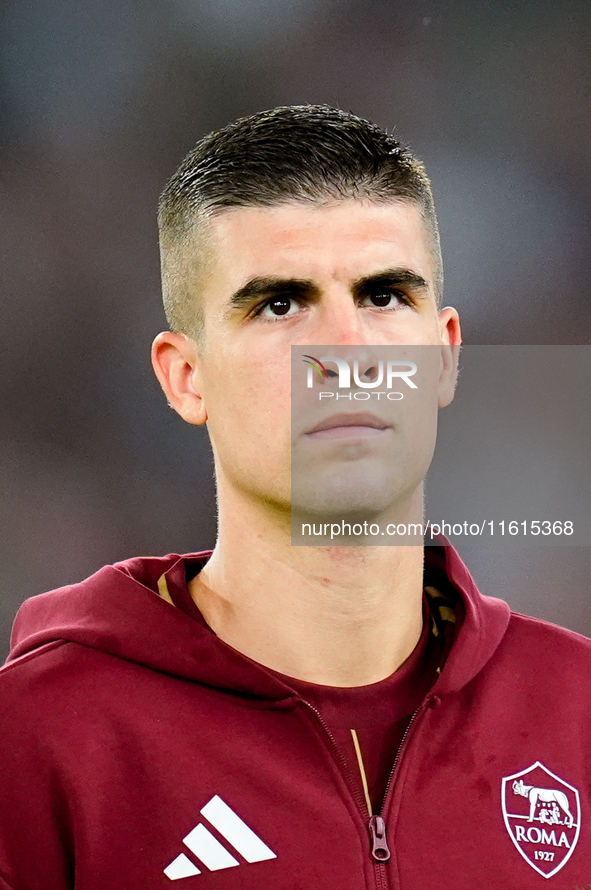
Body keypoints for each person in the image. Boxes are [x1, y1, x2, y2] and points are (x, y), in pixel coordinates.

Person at [1, 105, 590, 890]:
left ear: (445, 359)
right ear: (186, 377)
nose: (345, 353)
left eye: (384, 297)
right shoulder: (39, 738)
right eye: (279, 303)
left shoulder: (575, 710)